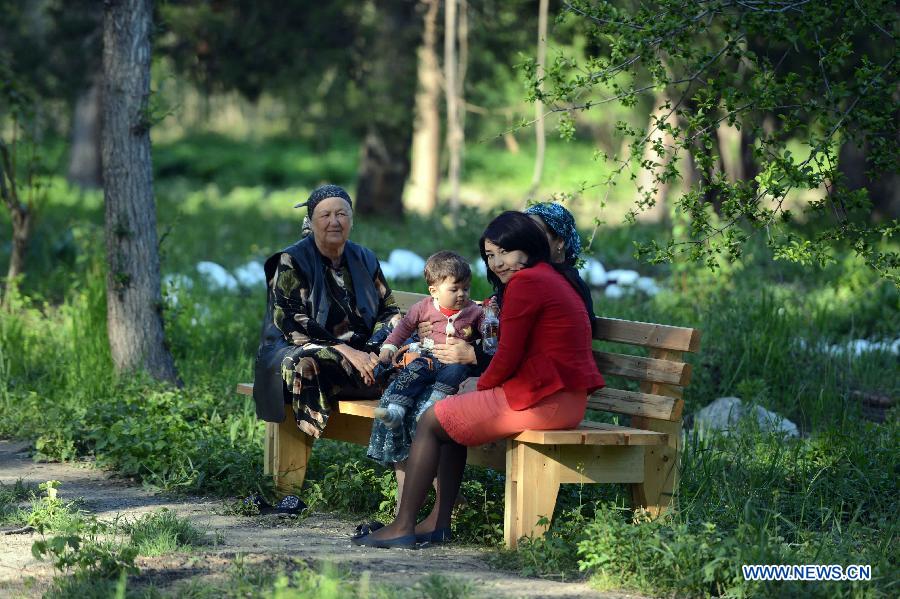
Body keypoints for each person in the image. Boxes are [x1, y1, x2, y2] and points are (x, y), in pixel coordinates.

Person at [353, 211, 604, 548]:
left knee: (431, 420)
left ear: (529, 247)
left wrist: (482, 385)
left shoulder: (528, 283)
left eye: (506, 252)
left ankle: (402, 525)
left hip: (544, 400)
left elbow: (508, 354)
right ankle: (438, 524)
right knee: (450, 416)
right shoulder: (551, 277)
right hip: (561, 398)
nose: (499, 263)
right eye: (490, 255)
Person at [253, 184, 400, 438]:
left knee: (410, 359)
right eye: (325, 215)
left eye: (341, 214)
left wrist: (375, 350)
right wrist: (344, 350)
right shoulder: (291, 260)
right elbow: (290, 321)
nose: (334, 222)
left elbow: (388, 311)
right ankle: (371, 383)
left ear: (352, 220)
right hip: (303, 348)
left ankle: (375, 376)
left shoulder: (365, 258)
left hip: (363, 352)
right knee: (305, 364)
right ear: (310, 221)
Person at [371, 251, 483, 431]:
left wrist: (489, 323)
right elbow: (404, 327)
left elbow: (487, 333)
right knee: (411, 373)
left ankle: (428, 410)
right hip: (428, 357)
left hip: (454, 361)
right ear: (434, 291)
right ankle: (395, 411)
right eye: (454, 290)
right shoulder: (423, 308)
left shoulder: (474, 311)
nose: (462, 294)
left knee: (455, 374)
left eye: (466, 288)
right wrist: (389, 346)